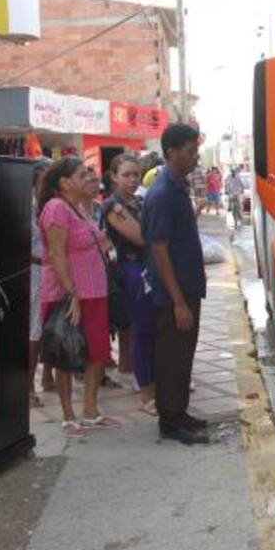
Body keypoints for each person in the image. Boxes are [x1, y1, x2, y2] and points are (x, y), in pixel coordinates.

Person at [37, 157, 122, 439]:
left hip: (95, 292)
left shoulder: (82, 208)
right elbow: (57, 254)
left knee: (96, 352)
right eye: (82, 174)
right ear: (64, 182)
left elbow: (99, 242)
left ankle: (90, 411)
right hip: (68, 294)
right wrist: (71, 293)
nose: (90, 177)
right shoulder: (56, 209)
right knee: (66, 353)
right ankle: (68, 416)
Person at [142, 124, 209, 445]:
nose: (195, 157)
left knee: (183, 355)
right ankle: (169, 420)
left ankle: (179, 412)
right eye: (189, 151)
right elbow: (159, 248)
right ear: (171, 152)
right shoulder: (163, 192)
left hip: (188, 288)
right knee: (171, 357)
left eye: (195, 151)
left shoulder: (178, 187)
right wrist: (178, 301)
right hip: (174, 294)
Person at [102, 153, 158, 416]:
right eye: (126, 175)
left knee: (150, 330)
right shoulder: (113, 207)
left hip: (146, 269)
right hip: (131, 272)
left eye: (136, 174)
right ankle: (146, 393)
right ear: (113, 177)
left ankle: (151, 385)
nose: (133, 180)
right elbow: (141, 238)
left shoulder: (138, 201)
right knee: (142, 329)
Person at [28, 157, 54, 407]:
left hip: (50, 272)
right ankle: (28, 388)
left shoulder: (51, 205)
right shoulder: (26, 205)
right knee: (34, 331)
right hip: (35, 273)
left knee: (49, 326)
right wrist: (47, 260)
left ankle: (48, 376)